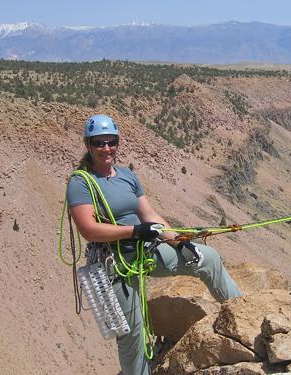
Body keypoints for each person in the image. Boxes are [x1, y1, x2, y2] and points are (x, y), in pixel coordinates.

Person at [66, 114, 242, 375]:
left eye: (111, 142)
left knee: (210, 258)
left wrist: (179, 241)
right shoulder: (81, 182)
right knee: (131, 333)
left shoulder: (127, 176)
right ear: (88, 145)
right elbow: (88, 230)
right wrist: (135, 231)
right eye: (99, 143)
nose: (106, 148)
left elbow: (150, 216)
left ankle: (242, 313)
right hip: (116, 264)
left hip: (145, 251)